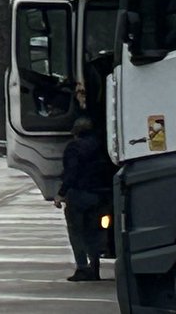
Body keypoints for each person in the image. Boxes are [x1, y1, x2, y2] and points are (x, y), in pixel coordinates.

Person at [54, 116, 112, 282]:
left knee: (76, 232)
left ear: (76, 132)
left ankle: (82, 267)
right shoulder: (102, 146)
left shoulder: (74, 148)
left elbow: (72, 172)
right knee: (93, 232)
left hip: (79, 194)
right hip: (98, 195)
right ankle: (95, 268)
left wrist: (61, 193)